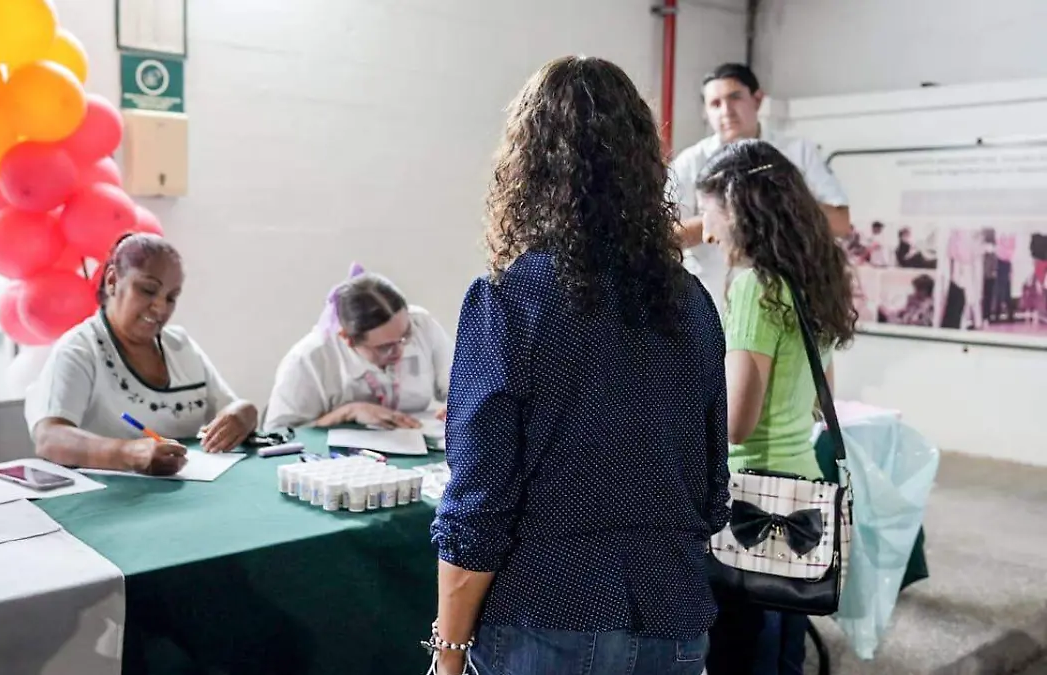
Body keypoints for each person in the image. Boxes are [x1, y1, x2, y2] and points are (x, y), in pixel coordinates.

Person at [428, 56, 730, 675]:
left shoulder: (513, 297)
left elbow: (478, 503)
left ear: (527, 165)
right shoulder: (692, 301)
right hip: (671, 619)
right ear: (645, 164)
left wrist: (450, 651)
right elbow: (709, 490)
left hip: (545, 618)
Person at [694, 138, 857, 675]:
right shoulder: (815, 281)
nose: (708, 231)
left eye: (710, 213)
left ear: (741, 209)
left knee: (739, 653)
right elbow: (818, 401)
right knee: (784, 648)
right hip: (802, 493)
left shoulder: (755, 289)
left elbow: (737, 424)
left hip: (748, 503)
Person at [25, 233, 259, 476]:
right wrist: (128, 454)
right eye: (148, 290)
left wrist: (243, 414)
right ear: (113, 280)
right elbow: (50, 438)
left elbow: (230, 407)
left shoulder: (180, 345)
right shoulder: (80, 349)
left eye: (171, 298)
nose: (160, 307)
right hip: (110, 502)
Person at [670, 63, 850, 313]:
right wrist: (724, 215)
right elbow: (667, 237)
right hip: (713, 312)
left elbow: (841, 222)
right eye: (715, 103)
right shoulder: (689, 162)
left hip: (788, 304)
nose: (726, 111)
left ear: (757, 99)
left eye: (735, 97)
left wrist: (773, 205)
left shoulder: (798, 152)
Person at [262, 264, 453, 430]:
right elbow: (277, 433)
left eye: (405, 336)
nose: (399, 351)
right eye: (384, 347)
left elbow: (461, 383)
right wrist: (347, 412)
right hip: (337, 463)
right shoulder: (310, 359)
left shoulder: (422, 326)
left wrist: (463, 404)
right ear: (348, 339)